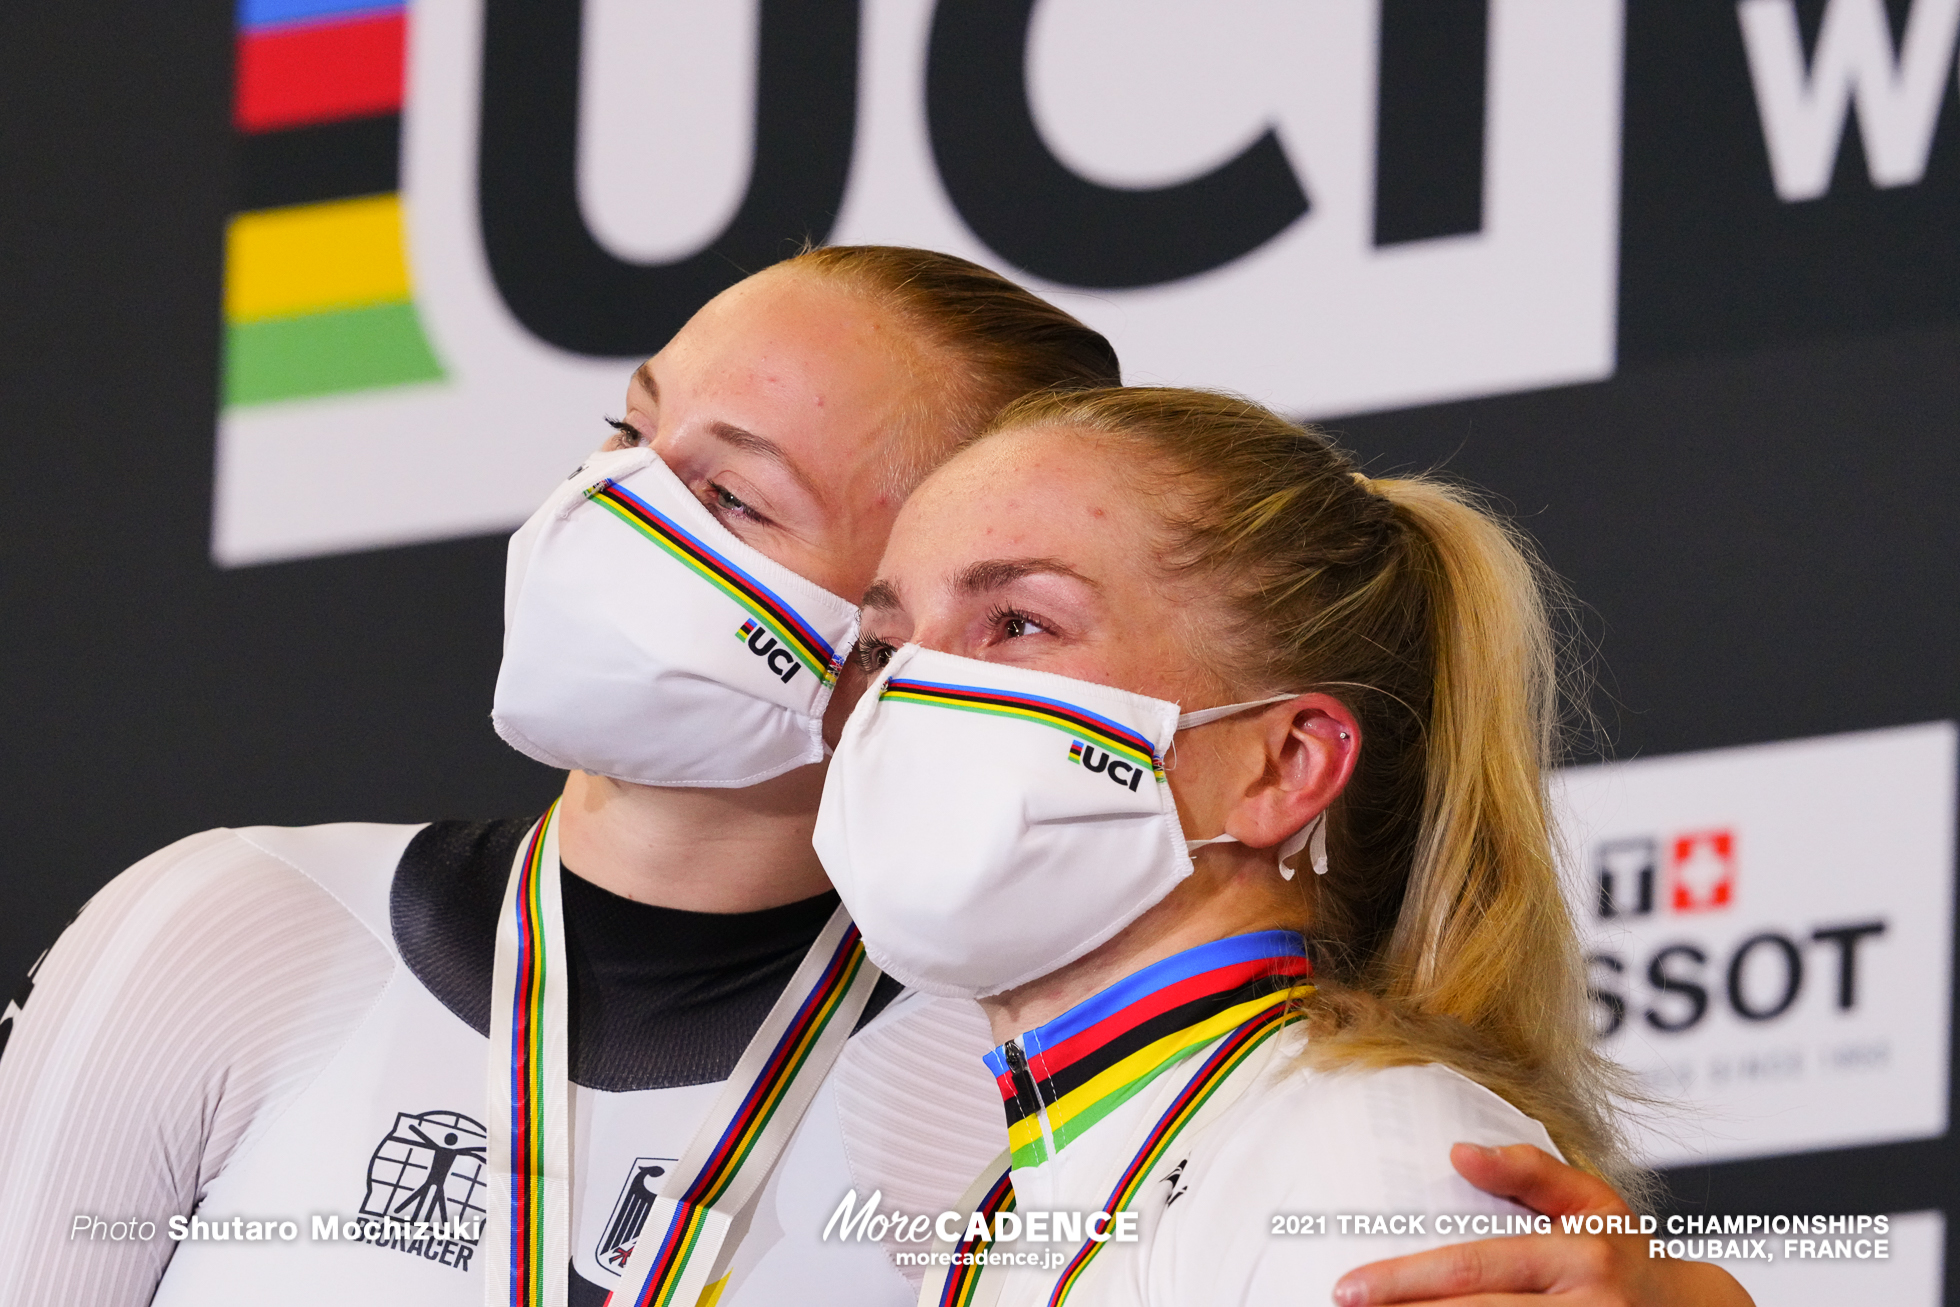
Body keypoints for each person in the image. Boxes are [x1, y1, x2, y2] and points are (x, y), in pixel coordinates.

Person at [0, 250, 1747, 1307]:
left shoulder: (1107, 1123)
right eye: (632, 435)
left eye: (739, 497)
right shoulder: (1058, 1150)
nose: (622, 512)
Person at [816, 386, 1757, 1305]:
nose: (907, 696)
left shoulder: (1360, 1154)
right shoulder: (1046, 1199)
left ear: (1285, 767)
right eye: (886, 645)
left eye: (1019, 624)